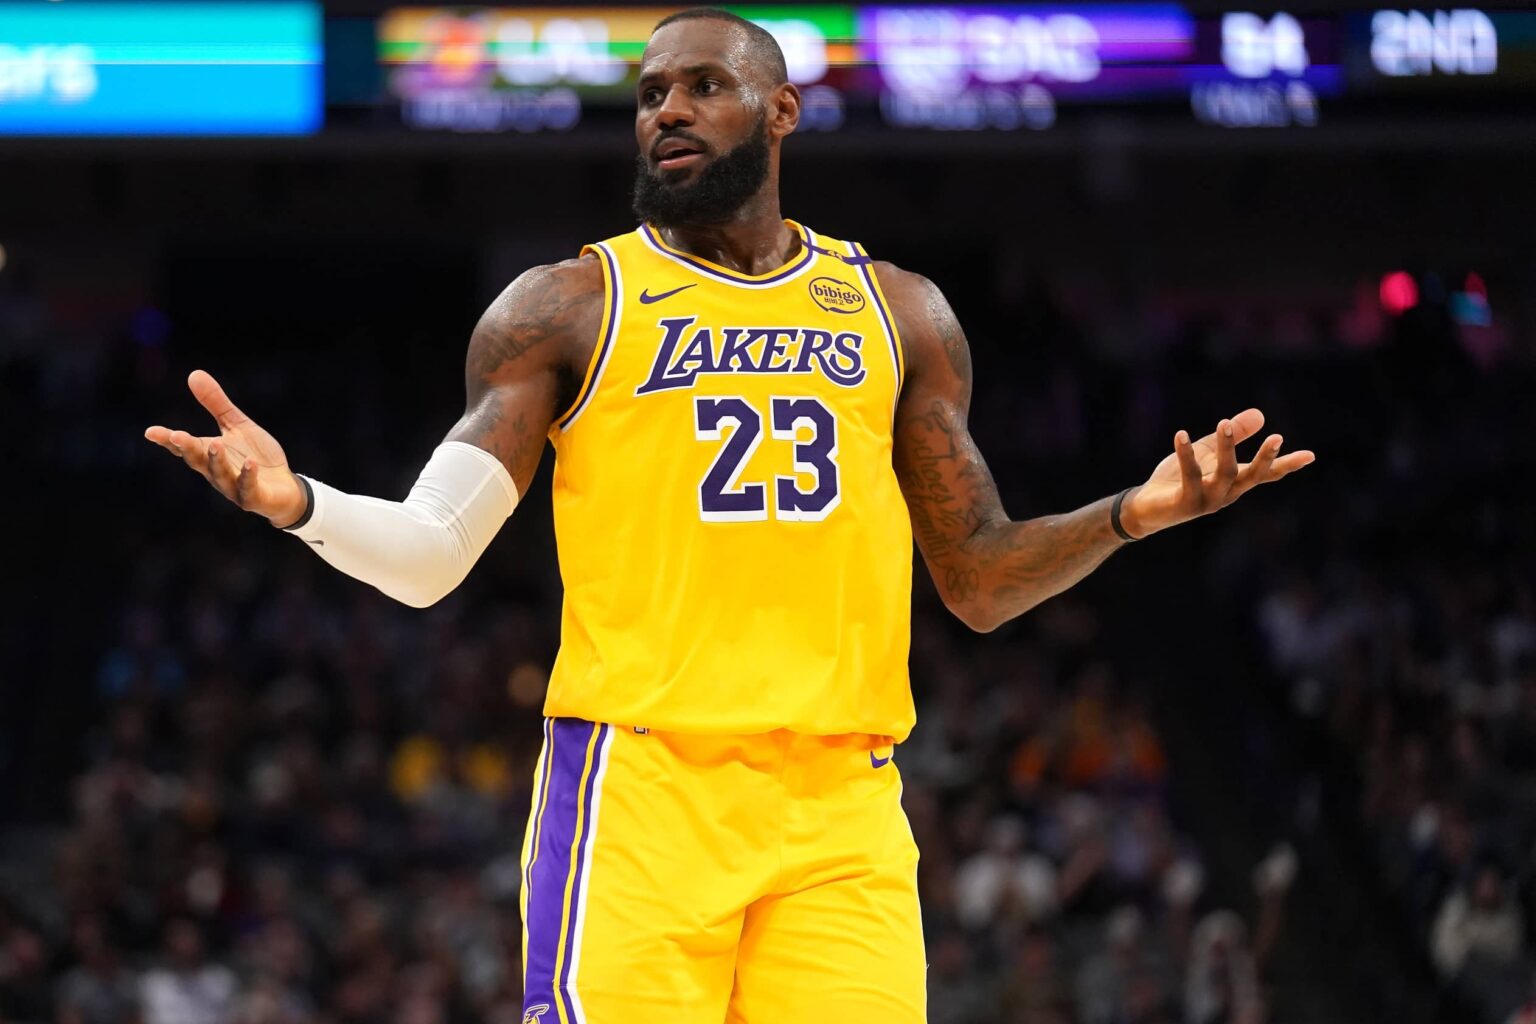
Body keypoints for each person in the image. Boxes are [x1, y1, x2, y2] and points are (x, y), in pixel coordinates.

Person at [144, 9, 1314, 1021]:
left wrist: (1131, 514)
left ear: (782, 112)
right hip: (645, 791)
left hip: (841, 801)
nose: (670, 110)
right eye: (651, 93)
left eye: (706, 85)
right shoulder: (567, 307)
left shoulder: (898, 313)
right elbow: (433, 554)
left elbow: (980, 577)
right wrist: (301, 503)